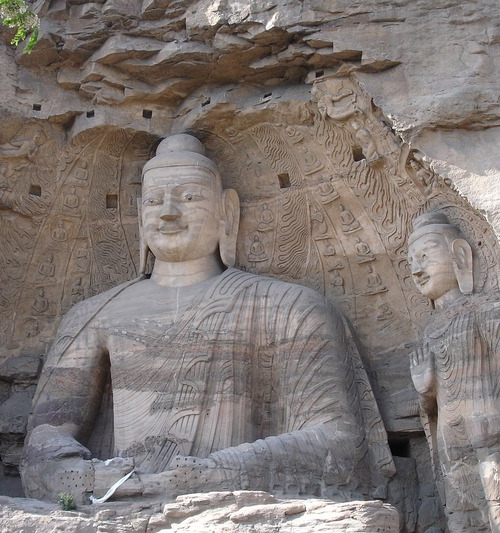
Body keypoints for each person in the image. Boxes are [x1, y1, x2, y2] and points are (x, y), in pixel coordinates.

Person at [21, 134, 393, 507]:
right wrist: (85, 475)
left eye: (189, 197)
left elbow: (340, 442)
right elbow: (43, 441)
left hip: (236, 509)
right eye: (153, 201)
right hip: (115, 504)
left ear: (226, 211)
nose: (168, 212)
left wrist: (212, 473)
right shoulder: (93, 315)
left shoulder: (289, 306)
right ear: (139, 215)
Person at [407, 211, 500, 532]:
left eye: (425, 255)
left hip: (489, 435)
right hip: (452, 445)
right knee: (463, 521)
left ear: (459, 255)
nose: (416, 269)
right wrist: (426, 391)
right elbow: (431, 409)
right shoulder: (429, 331)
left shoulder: (488, 307)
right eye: (410, 262)